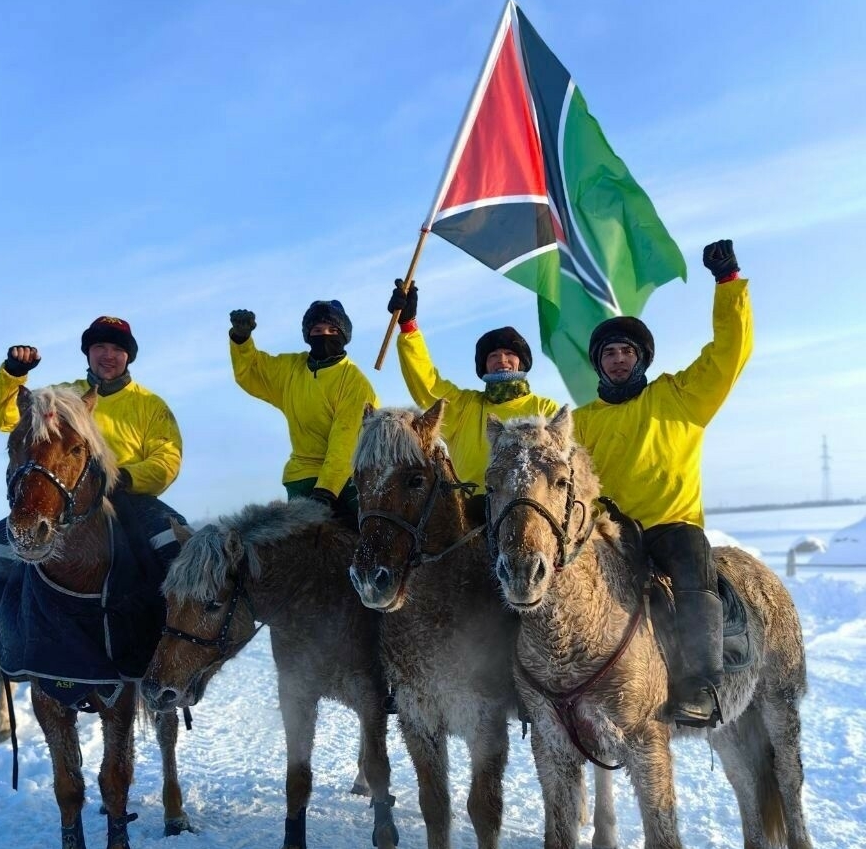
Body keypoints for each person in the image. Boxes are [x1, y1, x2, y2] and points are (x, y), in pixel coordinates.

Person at [572, 239, 753, 728]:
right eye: (608, 353)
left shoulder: (679, 397)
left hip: (671, 526)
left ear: (642, 358)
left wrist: (728, 284)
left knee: (695, 571)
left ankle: (701, 686)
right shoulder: (583, 420)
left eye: (626, 351)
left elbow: (728, 355)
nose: (617, 360)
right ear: (597, 363)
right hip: (611, 533)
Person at [0, 315, 184, 602]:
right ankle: (12, 632)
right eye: (100, 346)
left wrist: (124, 477)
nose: (108, 355)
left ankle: (178, 632)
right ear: (88, 353)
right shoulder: (61, 399)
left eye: (117, 349)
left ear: (129, 357)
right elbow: (6, 418)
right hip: (65, 497)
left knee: (178, 543)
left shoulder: (151, 406)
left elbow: (167, 459)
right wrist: (13, 375)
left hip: (128, 496)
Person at [387, 280, 561, 494]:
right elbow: (427, 383)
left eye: (510, 354)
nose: (502, 360)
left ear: (522, 362)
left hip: (528, 513)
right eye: (493, 356)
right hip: (468, 514)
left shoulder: (546, 409)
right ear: (484, 366)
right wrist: (408, 326)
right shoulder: (464, 406)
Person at [228, 300, 376, 516]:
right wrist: (241, 341)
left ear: (344, 334)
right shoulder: (291, 369)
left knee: (374, 532)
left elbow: (345, 442)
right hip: (302, 476)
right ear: (308, 335)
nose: (325, 335)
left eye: (332, 329)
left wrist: (326, 490)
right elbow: (253, 372)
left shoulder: (355, 383)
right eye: (317, 330)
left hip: (350, 476)